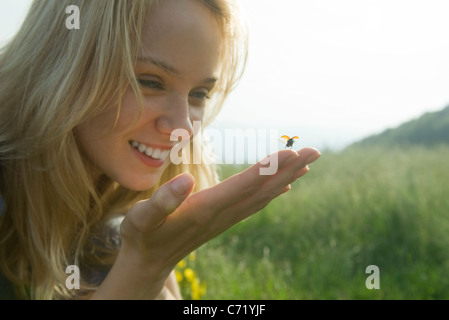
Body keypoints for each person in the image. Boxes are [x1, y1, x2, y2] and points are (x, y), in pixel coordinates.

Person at [0, 0, 321, 300]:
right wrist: (145, 266)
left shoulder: (113, 224)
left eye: (199, 93)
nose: (183, 126)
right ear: (62, 66)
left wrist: (153, 265)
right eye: (150, 82)